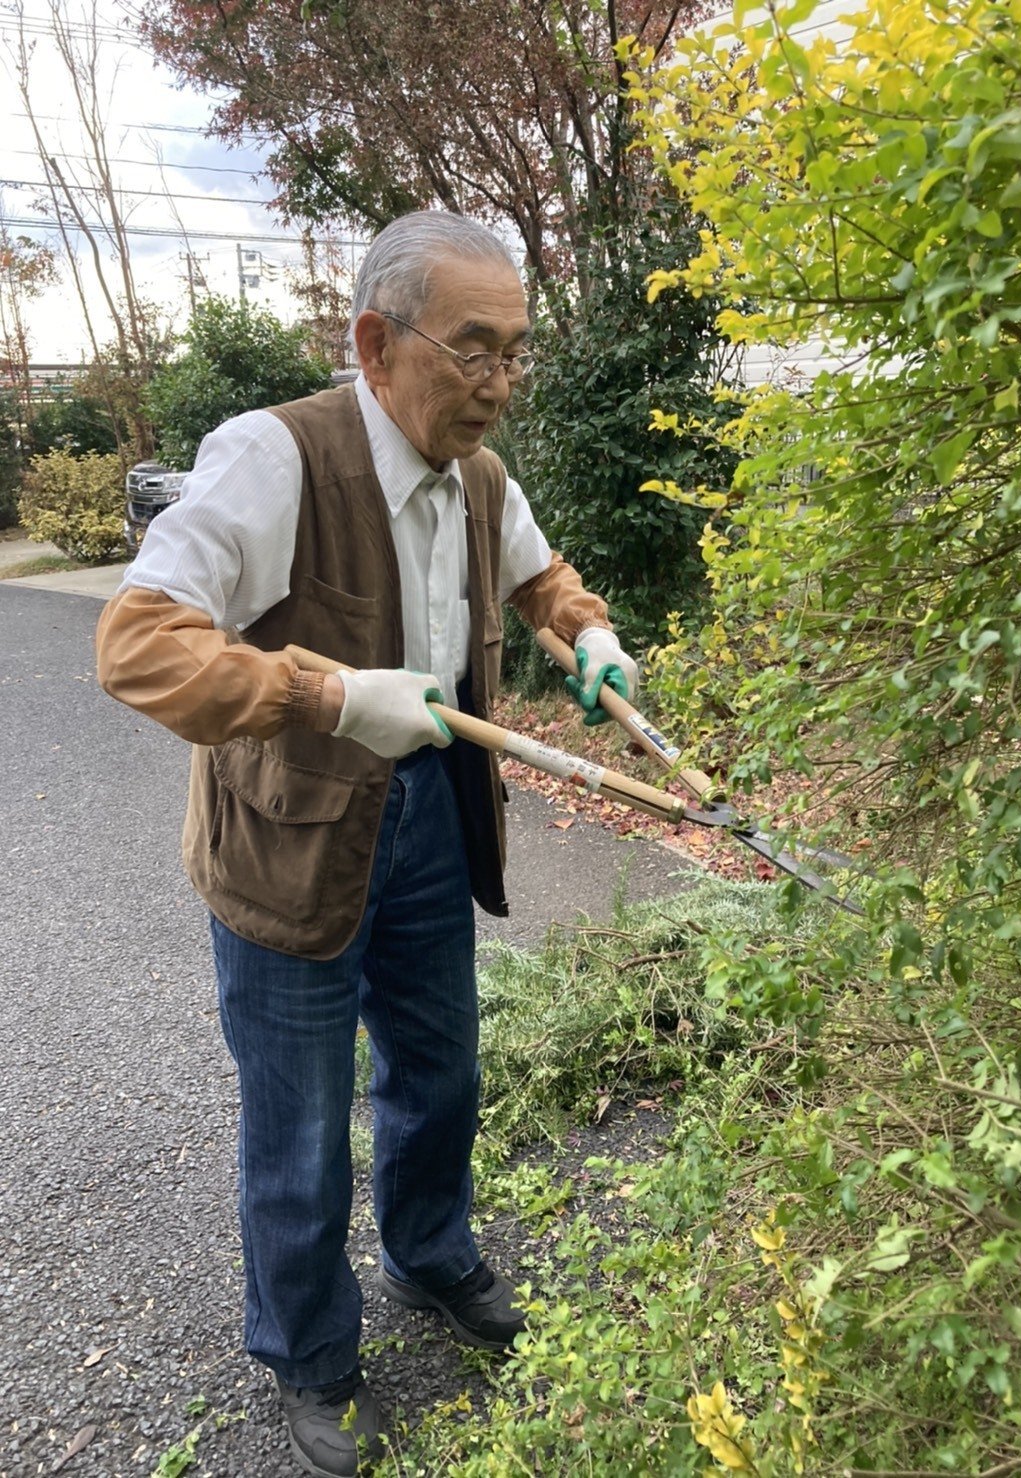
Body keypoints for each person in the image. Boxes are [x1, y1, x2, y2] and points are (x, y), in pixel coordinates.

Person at [95, 210, 638, 1478]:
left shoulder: (481, 471)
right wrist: (329, 694)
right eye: (473, 351)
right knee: (300, 1114)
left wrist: (588, 632)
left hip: (431, 820)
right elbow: (136, 645)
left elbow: (537, 578)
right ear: (375, 342)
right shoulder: (275, 458)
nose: (498, 384)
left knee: (439, 1068)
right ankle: (309, 1351)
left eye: (515, 353)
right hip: (289, 838)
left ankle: (431, 1251)